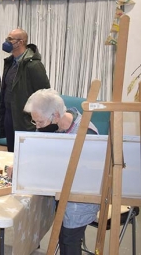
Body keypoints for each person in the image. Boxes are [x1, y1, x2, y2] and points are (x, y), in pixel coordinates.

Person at [23, 88, 100, 255]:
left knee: (68, 239)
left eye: (40, 122)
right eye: (34, 122)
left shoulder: (86, 134)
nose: (37, 127)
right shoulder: (57, 126)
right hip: (62, 192)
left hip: (81, 199)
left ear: (56, 115)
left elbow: (86, 176)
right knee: (61, 235)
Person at [0, 28, 50, 152]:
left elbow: (45, 93)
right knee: (11, 153)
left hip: (25, 120)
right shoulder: (10, 63)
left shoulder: (33, 65)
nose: (7, 41)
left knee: (23, 154)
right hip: (9, 116)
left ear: (20, 42)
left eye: (10, 39)